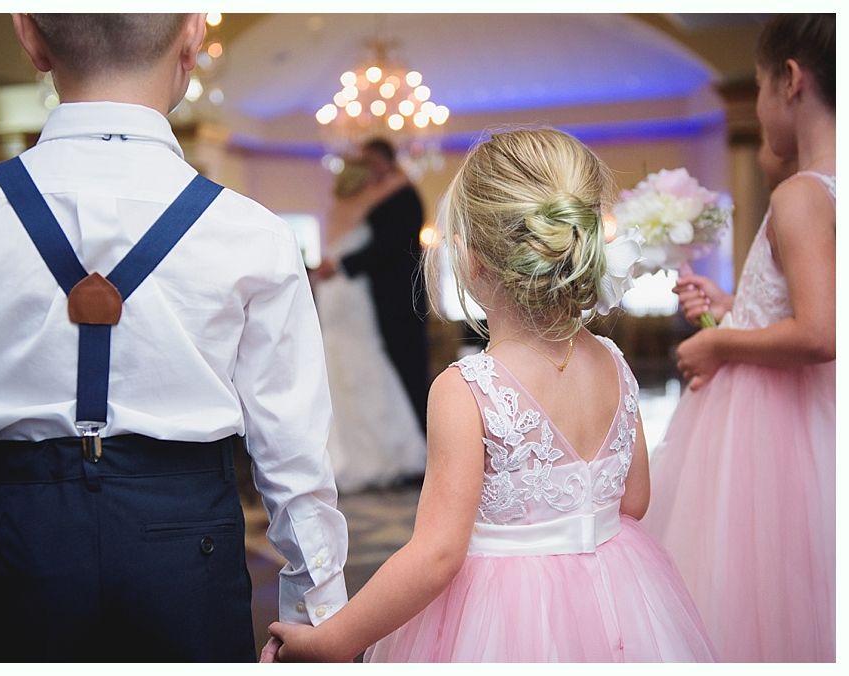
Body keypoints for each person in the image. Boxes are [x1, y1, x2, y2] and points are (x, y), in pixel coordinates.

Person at [0, 13, 349, 662]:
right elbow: (293, 455)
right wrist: (319, 615)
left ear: (29, 36)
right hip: (190, 544)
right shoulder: (253, 233)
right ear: (192, 36)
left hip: (26, 541)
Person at [263, 128, 716, 662]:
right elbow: (634, 500)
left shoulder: (469, 388)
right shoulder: (614, 363)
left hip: (502, 621)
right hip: (621, 598)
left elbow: (436, 554)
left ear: (472, 259)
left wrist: (333, 640)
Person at [643, 14, 835, 662]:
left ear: (790, 80)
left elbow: (818, 331)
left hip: (774, 432)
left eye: (755, 86)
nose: (756, 103)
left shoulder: (802, 193)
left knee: (754, 591)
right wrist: (735, 309)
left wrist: (718, 344)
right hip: (817, 418)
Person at [313, 158, 427, 493]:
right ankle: (380, 455)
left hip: (344, 290)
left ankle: (362, 455)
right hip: (351, 291)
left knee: (359, 365)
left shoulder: (341, 207)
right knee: (361, 365)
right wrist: (396, 175)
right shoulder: (369, 202)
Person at [673, 139, 797, 324]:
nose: (760, 156)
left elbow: (814, 334)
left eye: (763, 141)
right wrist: (729, 305)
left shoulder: (796, 200)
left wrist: (712, 345)